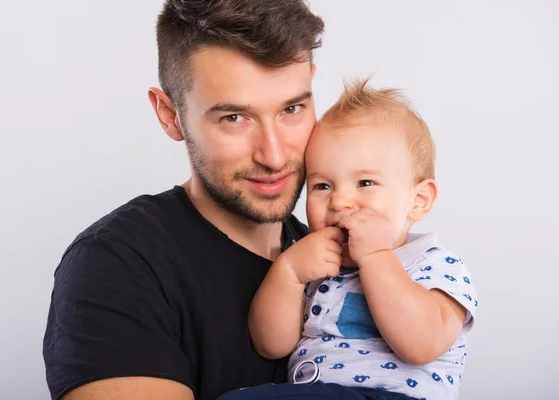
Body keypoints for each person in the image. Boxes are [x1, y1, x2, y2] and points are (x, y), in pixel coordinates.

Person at [42, 1, 324, 399]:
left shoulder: (340, 260)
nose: (274, 156)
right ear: (170, 115)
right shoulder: (117, 264)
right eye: (234, 118)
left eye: (292, 109)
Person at [223, 80, 478, 400]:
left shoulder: (435, 265)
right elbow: (271, 346)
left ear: (419, 200)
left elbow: (422, 345)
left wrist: (376, 256)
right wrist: (288, 273)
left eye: (366, 182)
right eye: (322, 186)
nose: (340, 201)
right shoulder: (317, 266)